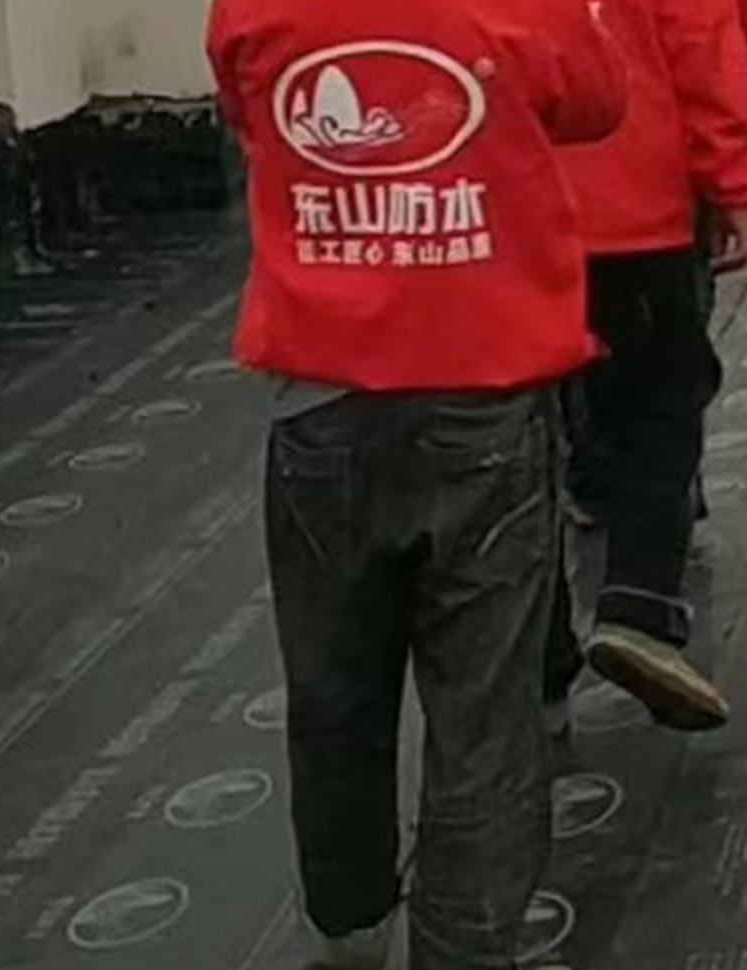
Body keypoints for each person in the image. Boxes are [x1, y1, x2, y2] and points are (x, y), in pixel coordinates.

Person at [206, 0, 623, 965]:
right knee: (484, 712)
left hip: (319, 405)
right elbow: (597, 102)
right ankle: (466, 946)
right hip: (483, 398)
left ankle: (350, 922)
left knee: (332, 688)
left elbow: (244, 103)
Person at [556, 0, 747, 730]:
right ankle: (638, 605)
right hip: (634, 207)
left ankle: (537, 656)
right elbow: (706, 44)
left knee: (523, 426)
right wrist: (734, 182)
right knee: (663, 400)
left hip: (508, 213)